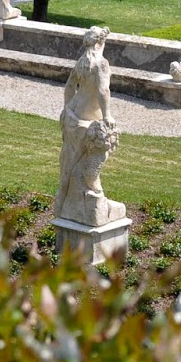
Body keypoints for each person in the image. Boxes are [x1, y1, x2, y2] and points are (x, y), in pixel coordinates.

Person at [55, 26, 124, 226]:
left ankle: (66, 203)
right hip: (86, 121)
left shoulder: (82, 62)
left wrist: (67, 109)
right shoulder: (101, 64)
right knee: (103, 147)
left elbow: (69, 87)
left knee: (68, 162)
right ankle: (92, 187)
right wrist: (107, 115)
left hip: (73, 115)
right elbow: (103, 91)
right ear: (100, 43)